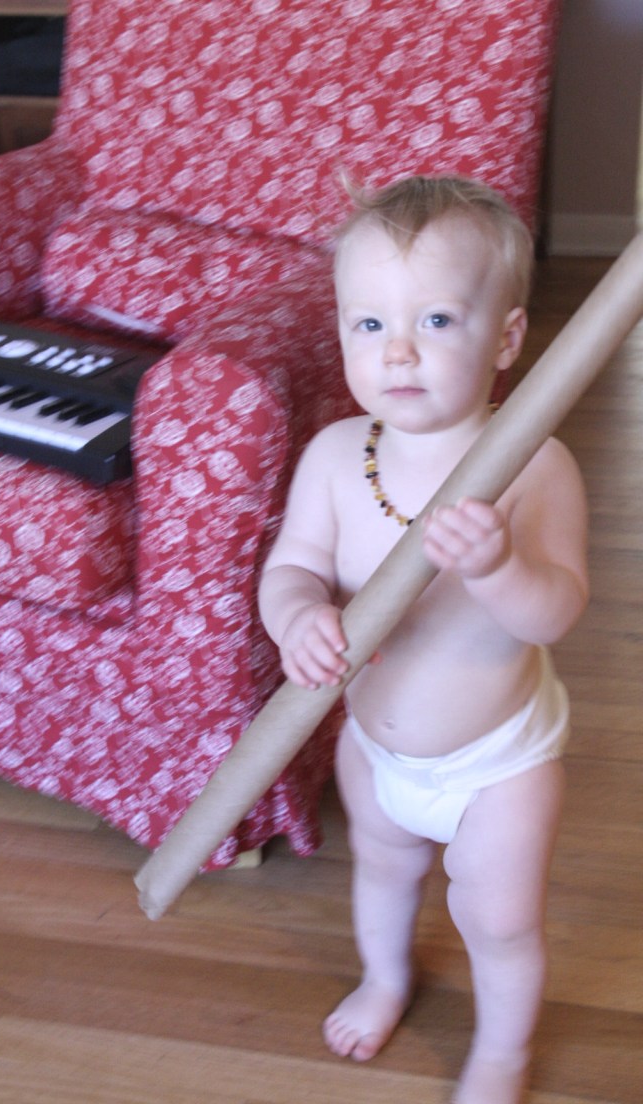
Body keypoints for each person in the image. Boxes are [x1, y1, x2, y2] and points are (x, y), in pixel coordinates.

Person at [257, 175, 589, 1104]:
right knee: (384, 870)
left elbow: (557, 612)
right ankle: (385, 978)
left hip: (497, 766)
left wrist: (498, 568)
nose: (397, 349)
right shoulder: (333, 458)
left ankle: (502, 1054)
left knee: (499, 920)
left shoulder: (535, 466)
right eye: (369, 323)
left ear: (507, 340)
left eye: (436, 320)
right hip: (374, 746)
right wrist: (298, 616)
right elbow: (291, 568)